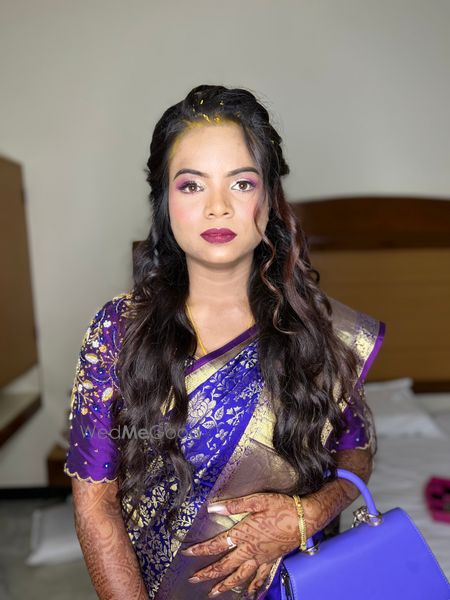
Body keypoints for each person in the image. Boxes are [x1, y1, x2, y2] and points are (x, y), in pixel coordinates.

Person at [64, 84, 386, 600]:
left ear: (269, 199)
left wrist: (310, 512)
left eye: (241, 183)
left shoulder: (325, 332)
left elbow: (357, 454)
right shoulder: (119, 331)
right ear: (165, 202)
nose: (218, 207)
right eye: (192, 185)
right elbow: (95, 506)